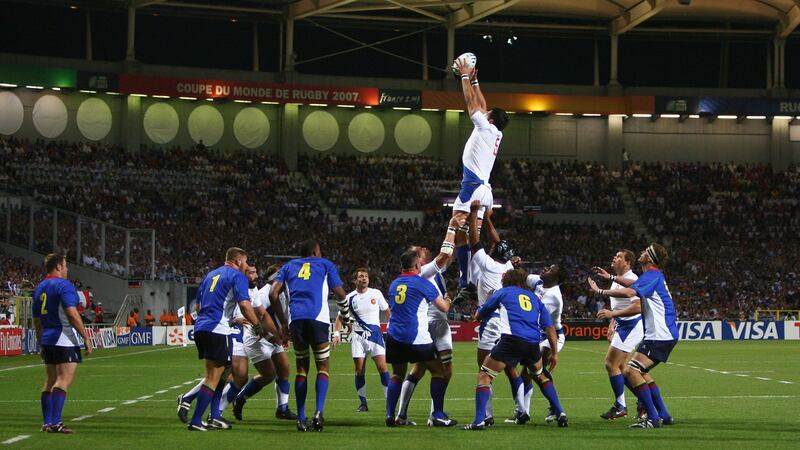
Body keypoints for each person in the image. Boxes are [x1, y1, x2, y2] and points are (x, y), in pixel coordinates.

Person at [464, 268, 568, 430]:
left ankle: (479, 421)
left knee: (485, 375)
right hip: (533, 343)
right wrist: (554, 354)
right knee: (541, 376)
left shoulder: (503, 292)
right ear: (521, 283)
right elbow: (549, 328)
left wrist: (478, 312)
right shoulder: (535, 298)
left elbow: (481, 314)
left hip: (511, 341)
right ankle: (561, 413)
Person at [184, 247, 274, 432]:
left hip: (202, 327)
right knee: (213, 377)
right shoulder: (237, 276)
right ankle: (196, 420)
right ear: (239, 261)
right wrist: (257, 325)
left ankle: (215, 416)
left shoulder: (210, 275)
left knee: (224, 374)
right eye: (246, 262)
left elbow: (199, 306)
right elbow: (244, 304)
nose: (247, 266)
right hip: (218, 329)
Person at [590, 243, 678, 429]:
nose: (642, 252)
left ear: (650, 258)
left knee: (630, 371)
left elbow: (631, 292)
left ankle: (652, 418)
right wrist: (611, 277)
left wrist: (600, 291)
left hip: (659, 333)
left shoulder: (652, 275)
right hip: (661, 333)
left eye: (646, 251)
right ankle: (663, 414)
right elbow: (632, 285)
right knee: (638, 371)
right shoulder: (651, 276)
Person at [269, 239, 352, 432]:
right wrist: (346, 318)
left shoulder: (289, 266)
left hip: (296, 320)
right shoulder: (325, 264)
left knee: (301, 369)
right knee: (322, 367)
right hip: (319, 319)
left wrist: (283, 323)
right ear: (315, 252)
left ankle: (300, 418)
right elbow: (340, 293)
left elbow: (273, 294)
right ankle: (318, 413)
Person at [450, 57, 509, 301]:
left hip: (472, 187)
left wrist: (464, 76)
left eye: (488, 114)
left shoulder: (485, 127)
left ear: (491, 119)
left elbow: (472, 104)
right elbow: (482, 104)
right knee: (471, 233)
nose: (485, 112)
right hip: (485, 189)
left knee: (459, 231)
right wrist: (476, 80)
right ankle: (469, 280)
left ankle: (466, 281)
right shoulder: (495, 132)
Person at [394, 216, 462, 425]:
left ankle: (402, 414)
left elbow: (450, 255)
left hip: (429, 323)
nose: (421, 249)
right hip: (435, 324)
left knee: (420, 369)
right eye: (417, 250)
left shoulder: (430, 272)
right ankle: (436, 414)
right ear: (418, 261)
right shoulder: (423, 272)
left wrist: (462, 232)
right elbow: (445, 255)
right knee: (444, 370)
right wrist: (451, 226)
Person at [467, 201, 524, 424]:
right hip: (508, 324)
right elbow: (497, 242)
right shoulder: (509, 267)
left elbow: (474, 239)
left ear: (493, 252)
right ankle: (522, 410)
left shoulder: (488, 264)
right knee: (510, 369)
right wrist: (488, 218)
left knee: (484, 370)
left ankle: (487, 415)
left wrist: (474, 214)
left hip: (490, 322)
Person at [385, 249, 455, 428]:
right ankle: (438, 414)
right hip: (417, 339)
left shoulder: (394, 284)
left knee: (397, 374)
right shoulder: (421, 282)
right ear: (417, 265)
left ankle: (391, 415)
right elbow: (444, 308)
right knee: (439, 372)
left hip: (393, 337)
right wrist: (449, 298)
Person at [32, 253, 93, 434]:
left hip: (48, 338)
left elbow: (36, 320)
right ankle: (56, 422)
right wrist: (86, 338)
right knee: (63, 379)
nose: (67, 269)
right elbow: (72, 314)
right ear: (58, 266)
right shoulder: (64, 286)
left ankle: (47, 423)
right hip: (63, 336)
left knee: (50, 380)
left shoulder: (40, 287)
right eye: (66, 266)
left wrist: (41, 342)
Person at [233, 264, 296, 421]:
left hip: (274, 337)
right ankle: (240, 398)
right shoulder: (264, 293)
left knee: (284, 370)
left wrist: (283, 333)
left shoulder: (283, 291)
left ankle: (282, 409)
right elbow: (259, 317)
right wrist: (274, 335)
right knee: (268, 375)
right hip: (259, 338)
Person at [332, 268, 390, 413]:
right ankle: (363, 403)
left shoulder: (376, 293)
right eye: (361, 276)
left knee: (383, 368)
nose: (364, 278)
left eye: (366, 276)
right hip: (358, 337)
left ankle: (390, 401)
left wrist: (392, 326)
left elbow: (387, 310)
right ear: (355, 280)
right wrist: (336, 333)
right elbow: (340, 317)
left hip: (376, 336)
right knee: (359, 370)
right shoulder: (350, 298)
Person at [597, 249, 643, 421]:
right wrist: (612, 323)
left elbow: (638, 306)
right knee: (622, 368)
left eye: (618, 257)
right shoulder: (615, 281)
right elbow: (617, 306)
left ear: (627, 262)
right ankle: (642, 401)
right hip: (622, 325)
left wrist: (613, 315)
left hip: (632, 326)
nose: (614, 258)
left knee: (611, 364)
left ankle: (621, 406)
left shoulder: (633, 280)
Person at [519, 263, 567, 424]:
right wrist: (515, 264)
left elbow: (537, 317)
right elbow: (522, 276)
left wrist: (554, 354)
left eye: (552, 269)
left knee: (533, 372)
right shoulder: (539, 281)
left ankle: (552, 409)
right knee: (530, 374)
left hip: (551, 337)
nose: (546, 269)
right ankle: (524, 412)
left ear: (556, 278)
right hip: (537, 334)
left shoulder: (554, 296)